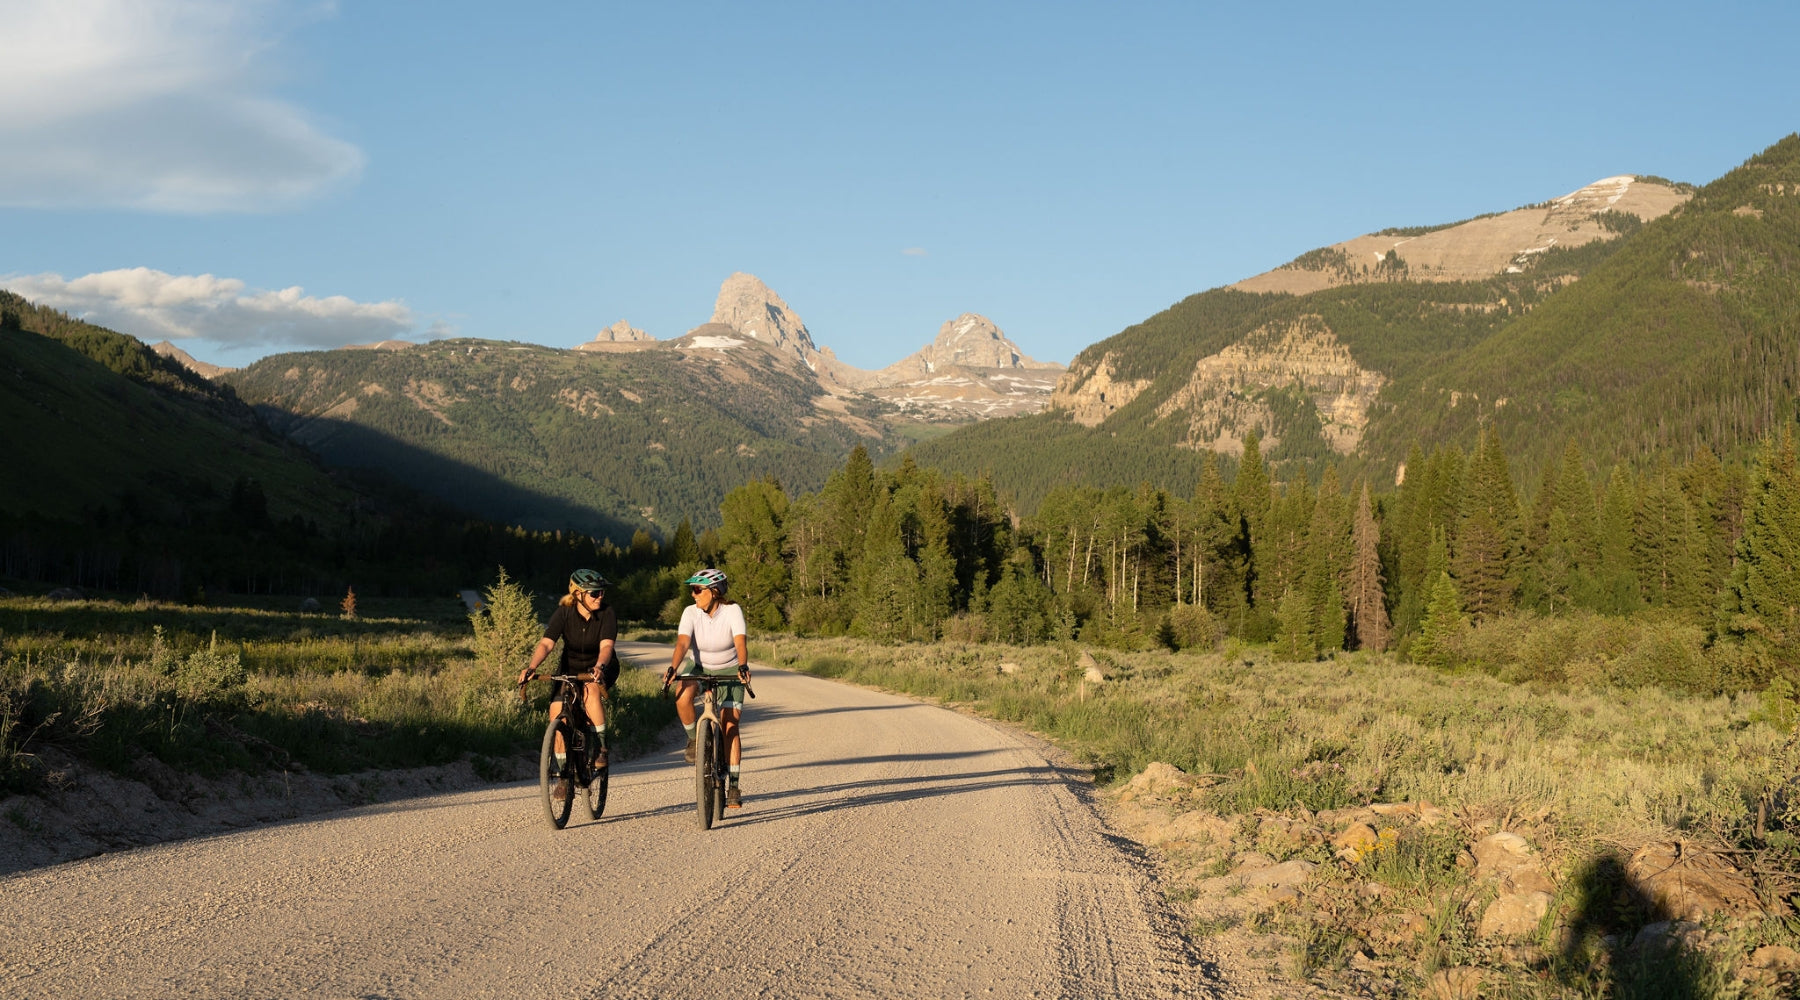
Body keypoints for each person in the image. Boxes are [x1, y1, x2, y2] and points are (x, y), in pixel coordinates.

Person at [517, 569, 619, 801]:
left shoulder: (607, 613)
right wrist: (531, 667)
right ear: (578, 594)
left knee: (591, 691)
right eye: (594, 593)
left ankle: (602, 748)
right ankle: (563, 776)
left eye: (602, 592)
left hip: (601, 666)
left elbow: (606, 647)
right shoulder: (564, 613)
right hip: (569, 668)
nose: (600, 596)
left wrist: (599, 667)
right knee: (557, 713)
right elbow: (546, 644)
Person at [662, 568, 751, 808]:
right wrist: (673, 668)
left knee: (730, 724)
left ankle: (733, 786)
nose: (693, 594)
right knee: (682, 697)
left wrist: (742, 666)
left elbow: (740, 640)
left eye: (697, 590)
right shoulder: (690, 612)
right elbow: (683, 642)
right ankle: (693, 739)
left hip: (730, 669)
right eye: (693, 590)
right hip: (699, 667)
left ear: (714, 592)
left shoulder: (732, 611)